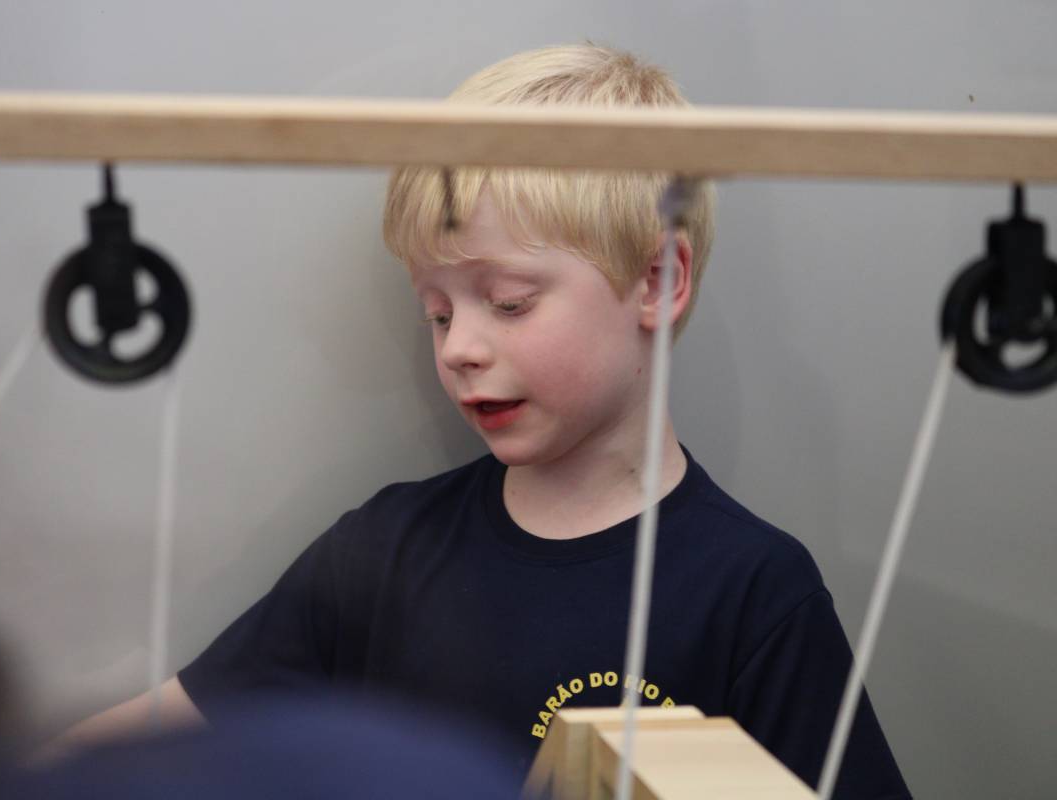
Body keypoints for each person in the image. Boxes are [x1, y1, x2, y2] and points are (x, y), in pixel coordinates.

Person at [44, 44, 911, 798]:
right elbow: (147, 742)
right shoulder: (381, 551)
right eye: (436, 312)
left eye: (508, 301)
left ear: (657, 281)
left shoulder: (755, 593)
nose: (459, 347)